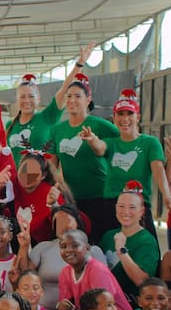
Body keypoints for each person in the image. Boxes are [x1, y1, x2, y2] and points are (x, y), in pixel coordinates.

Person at [48, 68, 121, 239]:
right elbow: (52, 165)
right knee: (74, 240)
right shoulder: (57, 130)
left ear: (88, 100)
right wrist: (58, 187)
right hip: (71, 199)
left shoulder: (102, 126)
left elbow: (120, 146)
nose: (72, 100)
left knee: (97, 241)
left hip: (100, 196)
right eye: (69, 96)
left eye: (77, 96)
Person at [96, 89, 171, 232]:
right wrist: (91, 139)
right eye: (120, 114)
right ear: (114, 118)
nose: (125, 119)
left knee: (147, 248)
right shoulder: (110, 143)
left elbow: (158, 169)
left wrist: (166, 195)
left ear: (138, 117)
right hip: (112, 204)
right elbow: (98, 147)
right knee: (109, 250)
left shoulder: (150, 143)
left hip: (139, 204)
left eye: (130, 114)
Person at [98, 182, 160, 303]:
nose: (126, 212)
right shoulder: (108, 236)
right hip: (104, 299)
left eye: (132, 207)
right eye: (121, 206)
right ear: (115, 208)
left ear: (142, 211)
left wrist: (122, 250)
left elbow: (141, 281)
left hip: (130, 302)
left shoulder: (147, 241)